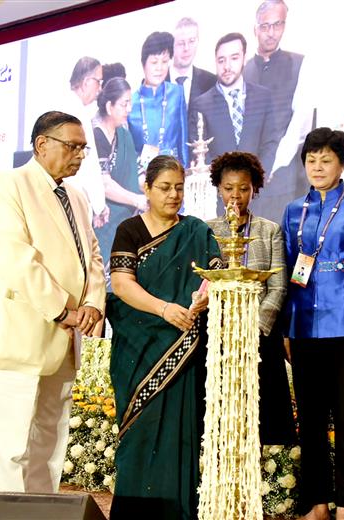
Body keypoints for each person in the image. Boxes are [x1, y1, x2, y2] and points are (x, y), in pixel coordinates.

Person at [0, 111, 106, 492]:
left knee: (50, 445)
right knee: (11, 448)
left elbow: (91, 255)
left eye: (83, 148)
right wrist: (65, 309)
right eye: (72, 146)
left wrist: (93, 303)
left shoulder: (77, 196)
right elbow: (16, 258)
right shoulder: (8, 185)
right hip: (18, 337)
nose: (79, 155)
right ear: (42, 145)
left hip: (63, 340)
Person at [106, 155, 221, 519]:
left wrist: (203, 299)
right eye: (165, 187)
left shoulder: (197, 231)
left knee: (178, 433)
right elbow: (122, 285)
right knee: (139, 432)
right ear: (147, 187)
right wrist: (164, 309)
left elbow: (213, 278)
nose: (173, 195)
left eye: (179, 188)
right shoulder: (130, 230)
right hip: (139, 347)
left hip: (183, 348)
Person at [282, 127, 344, 520]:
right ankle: (317, 502)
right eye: (311, 160)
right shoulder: (294, 210)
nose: (318, 167)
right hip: (305, 327)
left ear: (342, 163)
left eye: (326, 160)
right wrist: (289, 329)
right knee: (308, 419)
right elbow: (291, 273)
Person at [206, 151, 296, 445]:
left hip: (260, 337)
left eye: (243, 188)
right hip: (219, 335)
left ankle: (272, 475)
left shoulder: (269, 230)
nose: (236, 196)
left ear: (254, 189)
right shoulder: (206, 230)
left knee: (267, 407)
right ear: (219, 188)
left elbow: (279, 286)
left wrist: (255, 328)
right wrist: (223, 326)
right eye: (229, 188)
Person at [244, 0, 311, 222]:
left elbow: (300, 125)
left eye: (277, 25)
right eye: (265, 26)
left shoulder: (299, 64)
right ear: (255, 29)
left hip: (285, 178)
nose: (271, 33)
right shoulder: (243, 71)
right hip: (249, 184)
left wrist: (271, 164)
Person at [188, 32, 278, 175]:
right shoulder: (201, 105)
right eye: (221, 60)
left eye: (234, 58)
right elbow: (200, 154)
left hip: (258, 189)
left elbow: (270, 143)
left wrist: (257, 177)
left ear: (244, 58)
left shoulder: (263, 97)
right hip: (219, 191)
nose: (227, 67)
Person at [92, 74, 147, 281]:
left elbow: (136, 171)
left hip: (124, 216)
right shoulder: (95, 135)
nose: (129, 109)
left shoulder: (123, 134)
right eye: (124, 104)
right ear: (109, 107)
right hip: (101, 218)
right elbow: (104, 184)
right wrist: (138, 200)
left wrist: (154, 189)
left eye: (130, 104)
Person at [129, 32, 188, 174]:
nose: (160, 68)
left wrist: (185, 171)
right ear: (143, 64)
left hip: (174, 172)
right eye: (154, 62)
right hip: (144, 178)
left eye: (165, 61)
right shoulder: (131, 102)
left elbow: (183, 140)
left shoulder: (177, 93)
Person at [62, 57, 109, 225]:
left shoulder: (59, 105)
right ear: (87, 81)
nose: (100, 88)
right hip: (72, 204)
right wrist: (99, 205)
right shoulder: (77, 114)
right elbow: (88, 165)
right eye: (99, 81)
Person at [168, 17, 217, 107]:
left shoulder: (211, 82)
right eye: (181, 43)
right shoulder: (156, 82)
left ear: (198, 42)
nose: (186, 48)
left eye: (191, 41)